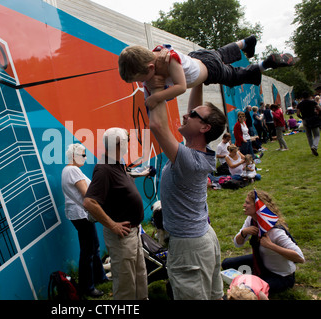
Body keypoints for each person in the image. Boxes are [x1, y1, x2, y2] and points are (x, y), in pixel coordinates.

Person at [146, 77, 226, 299]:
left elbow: (156, 125)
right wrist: (199, 78)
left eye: (191, 116)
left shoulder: (189, 160)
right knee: (213, 294)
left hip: (188, 246)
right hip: (204, 238)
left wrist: (154, 86)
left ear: (204, 127)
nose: (185, 114)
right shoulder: (199, 150)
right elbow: (195, 111)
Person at [118, 35, 296, 109]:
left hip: (210, 70)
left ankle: (265, 64)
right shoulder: (155, 54)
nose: (143, 83)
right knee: (220, 52)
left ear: (150, 68)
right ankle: (245, 42)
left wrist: (156, 97)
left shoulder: (170, 61)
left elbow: (180, 87)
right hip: (199, 57)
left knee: (234, 76)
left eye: (142, 79)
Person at [83, 128, 148, 300]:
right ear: (118, 144)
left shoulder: (118, 163)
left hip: (133, 231)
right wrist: (112, 225)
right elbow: (89, 202)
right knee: (125, 282)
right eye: (127, 140)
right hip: (122, 236)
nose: (129, 143)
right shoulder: (103, 169)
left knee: (139, 275)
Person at [222, 190, 305, 294]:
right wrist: (244, 232)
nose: (244, 205)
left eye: (247, 203)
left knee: (248, 293)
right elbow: (238, 244)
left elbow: (300, 258)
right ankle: (255, 276)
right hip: (262, 262)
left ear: (257, 207)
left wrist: (271, 246)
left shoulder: (275, 231)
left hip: (280, 276)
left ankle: (255, 280)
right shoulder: (251, 219)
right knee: (226, 264)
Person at [61, 143, 108, 297]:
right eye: (83, 154)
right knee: (88, 251)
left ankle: (99, 278)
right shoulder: (73, 170)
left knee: (94, 247)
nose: (85, 157)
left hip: (80, 214)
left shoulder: (68, 170)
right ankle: (87, 287)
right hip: (82, 214)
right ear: (73, 156)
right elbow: (86, 193)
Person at [297, 91, 321, 156]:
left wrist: (302, 118)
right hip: (313, 119)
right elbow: (319, 108)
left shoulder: (300, 104)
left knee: (309, 136)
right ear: (309, 96)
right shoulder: (313, 102)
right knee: (316, 135)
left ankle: (312, 150)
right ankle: (314, 147)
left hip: (305, 120)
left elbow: (298, 114)